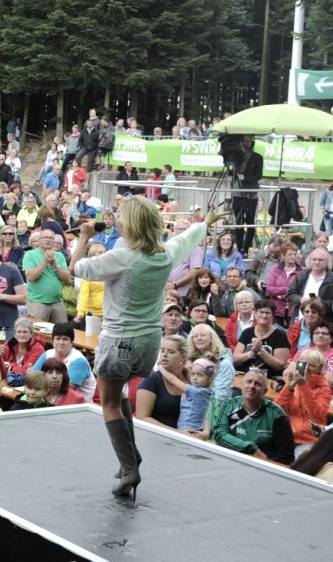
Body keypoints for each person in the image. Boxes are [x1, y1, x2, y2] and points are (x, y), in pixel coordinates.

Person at [71, 196, 209, 498]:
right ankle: (130, 457)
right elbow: (187, 239)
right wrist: (205, 224)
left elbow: (78, 268)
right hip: (149, 343)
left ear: (130, 224)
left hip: (120, 339)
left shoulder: (122, 256)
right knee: (120, 395)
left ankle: (130, 468)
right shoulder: (164, 255)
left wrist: (83, 238)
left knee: (108, 404)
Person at [209, 368, 296, 464]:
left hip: (264, 465)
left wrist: (263, 461)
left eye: (257, 384)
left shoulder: (276, 414)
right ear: (241, 385)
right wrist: (249, 448)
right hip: (231, 460)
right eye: (249, 382)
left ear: (265, 391)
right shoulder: (229, 405)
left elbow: (286, 455)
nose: (252, 386)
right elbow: (219, 435)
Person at [135, 335, 188, 430]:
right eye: (162, 350)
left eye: (171, 352)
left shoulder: (192, 379)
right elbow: (142, 417)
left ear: (183, 357)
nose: (165, 354)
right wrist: (178, 433)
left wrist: (205, 432)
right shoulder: (151, 380)